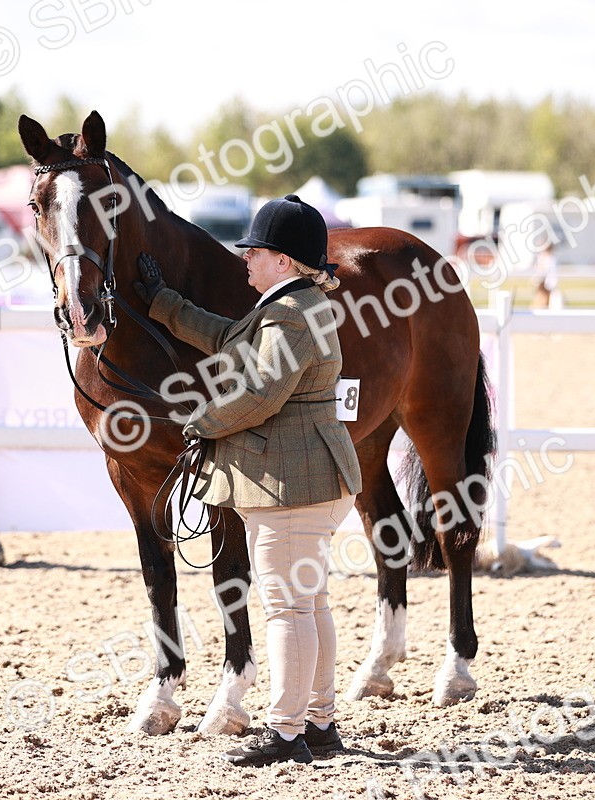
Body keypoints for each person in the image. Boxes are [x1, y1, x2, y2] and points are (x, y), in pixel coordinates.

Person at [134, 194, 362, 767]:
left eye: (255, 251)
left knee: (288, 609)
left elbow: (259, 395)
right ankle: (319, 722)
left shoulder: (290, 312)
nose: (246, 260)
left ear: (283, 261)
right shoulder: (291, 305)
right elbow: (225, 338)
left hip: (291, 481)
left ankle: (287, 735)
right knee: (310, 605)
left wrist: (201, 423)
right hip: (310, 477)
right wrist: (165, 304)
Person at [531, 242, 561, 310]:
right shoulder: (547, 258)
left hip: (547, 282)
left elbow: (546, 271)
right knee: (542, 300)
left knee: (545, 300)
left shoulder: (549, 258)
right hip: (544, 282)